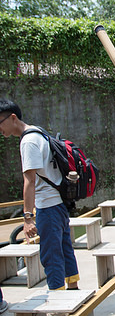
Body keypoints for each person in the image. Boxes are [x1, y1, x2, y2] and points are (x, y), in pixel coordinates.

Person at [0, 99, 80, 292]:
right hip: (59, 203)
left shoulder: (28, 141)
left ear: (12, 118)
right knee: (64, 248)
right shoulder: (38, 132)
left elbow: (29, 181)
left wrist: (27, 217)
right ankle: (73, 289)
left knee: (51, 255)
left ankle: (58, 302)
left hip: (48, 206)